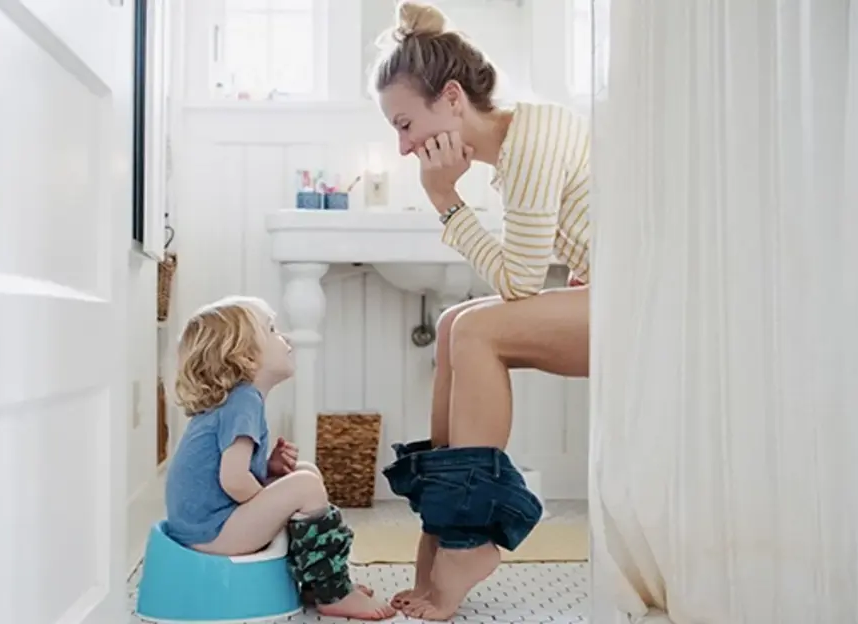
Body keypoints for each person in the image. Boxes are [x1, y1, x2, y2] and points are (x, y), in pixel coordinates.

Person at [371, 1, 592, 620]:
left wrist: (446, 201)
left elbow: (519, 282)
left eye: (405, 123)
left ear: (450, 98)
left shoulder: (529, 146)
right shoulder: (526, 140)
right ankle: (439, 537)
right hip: (616, 294)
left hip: (642, 311)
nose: (403, 145)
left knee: (475, 331)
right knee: (451, 325)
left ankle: (467, 543)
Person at [161, 295, 395, 621]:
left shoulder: (236, 401)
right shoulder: (243, 401)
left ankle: (316, 580)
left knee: (303, 473)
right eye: (271, 329)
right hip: (213, 533)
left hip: (201, 527)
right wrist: (274, 509)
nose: (283, 337)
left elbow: (225, 471)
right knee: (303, 486)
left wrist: (268, 470)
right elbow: (232, 481)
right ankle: (333, 590)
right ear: (243, 356)